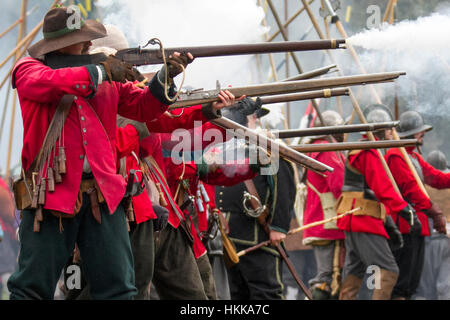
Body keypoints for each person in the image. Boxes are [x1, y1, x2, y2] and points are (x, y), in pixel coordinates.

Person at [7, 6, 192, 300]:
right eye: (82, 38)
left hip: (104, 196)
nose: (90, 44)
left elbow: (144, 107)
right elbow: (49, 83)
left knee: (119, 290)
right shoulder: (29, 69)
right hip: (51, 196)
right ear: (59, 45)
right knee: (31, 289)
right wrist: (99, 71)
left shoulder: (107, 77)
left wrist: (164, 78)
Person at [216, 104, 296, 300]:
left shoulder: (267, 148)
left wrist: (278, 226)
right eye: (254, 116)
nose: (257, 121)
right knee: (235, 293)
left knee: (265, 292)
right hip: (226, 235)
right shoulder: (221, 150)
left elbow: (284, 188)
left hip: (258, 233)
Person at [336, 104, 411, 300]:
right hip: (362, 217)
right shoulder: (369, 151)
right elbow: (382, 187)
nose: (391, 133)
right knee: (388, 270)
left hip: (356, 216)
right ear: (383, 129)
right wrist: (403, 208)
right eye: (389, 129)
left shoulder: (367, 149)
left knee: (355, 272)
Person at [385, 111, 450, 300]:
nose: (422, 135)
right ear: (411, 133)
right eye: (419, 132)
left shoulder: (411, 155)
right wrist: (436, 213)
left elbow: (436, 177)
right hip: (403, 225)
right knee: (402, 283)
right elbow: (413, 190)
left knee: (412, 282)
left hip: (416, 225)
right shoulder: (396, 155)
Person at [301, 110, 346, 300]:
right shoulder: (326, 149)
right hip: (328, 222)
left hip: (324, 221)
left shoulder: (320, 147)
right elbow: (339, 185)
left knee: (332, 276)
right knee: (328, 278)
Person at [412, 150, 450, 300]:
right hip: (448, 239)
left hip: (430, 237)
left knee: (425, 285)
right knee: (446, 283)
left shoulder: (423, 187)